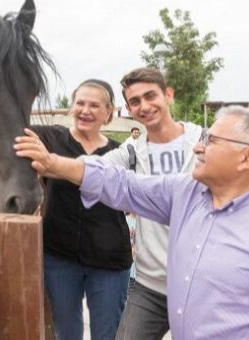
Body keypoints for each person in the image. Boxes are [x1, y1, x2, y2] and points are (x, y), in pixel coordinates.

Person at [15, 106, 249, 339]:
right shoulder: (188, 193)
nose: (198, 146)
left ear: (247, 157)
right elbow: (122, 184)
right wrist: (53, 163)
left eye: (212, 141)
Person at [77, 67, 203, 339]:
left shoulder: (205, 143)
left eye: (151, 96)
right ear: (128, 108)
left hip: (203, 286)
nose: (144, 106)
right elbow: (90, 169)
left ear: (168, 95)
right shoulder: (131, 151)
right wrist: (49, 163)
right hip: (151, 285)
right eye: (135, 101)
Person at [32, 79, 130, 340]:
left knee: (107, 334)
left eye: (95, 105)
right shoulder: (49, 138)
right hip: (59, 257)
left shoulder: (119, 153)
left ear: (109, 112)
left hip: (109, 261)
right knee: (67, 332)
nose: (85, 110)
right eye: (80, 103)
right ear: (71, 108)